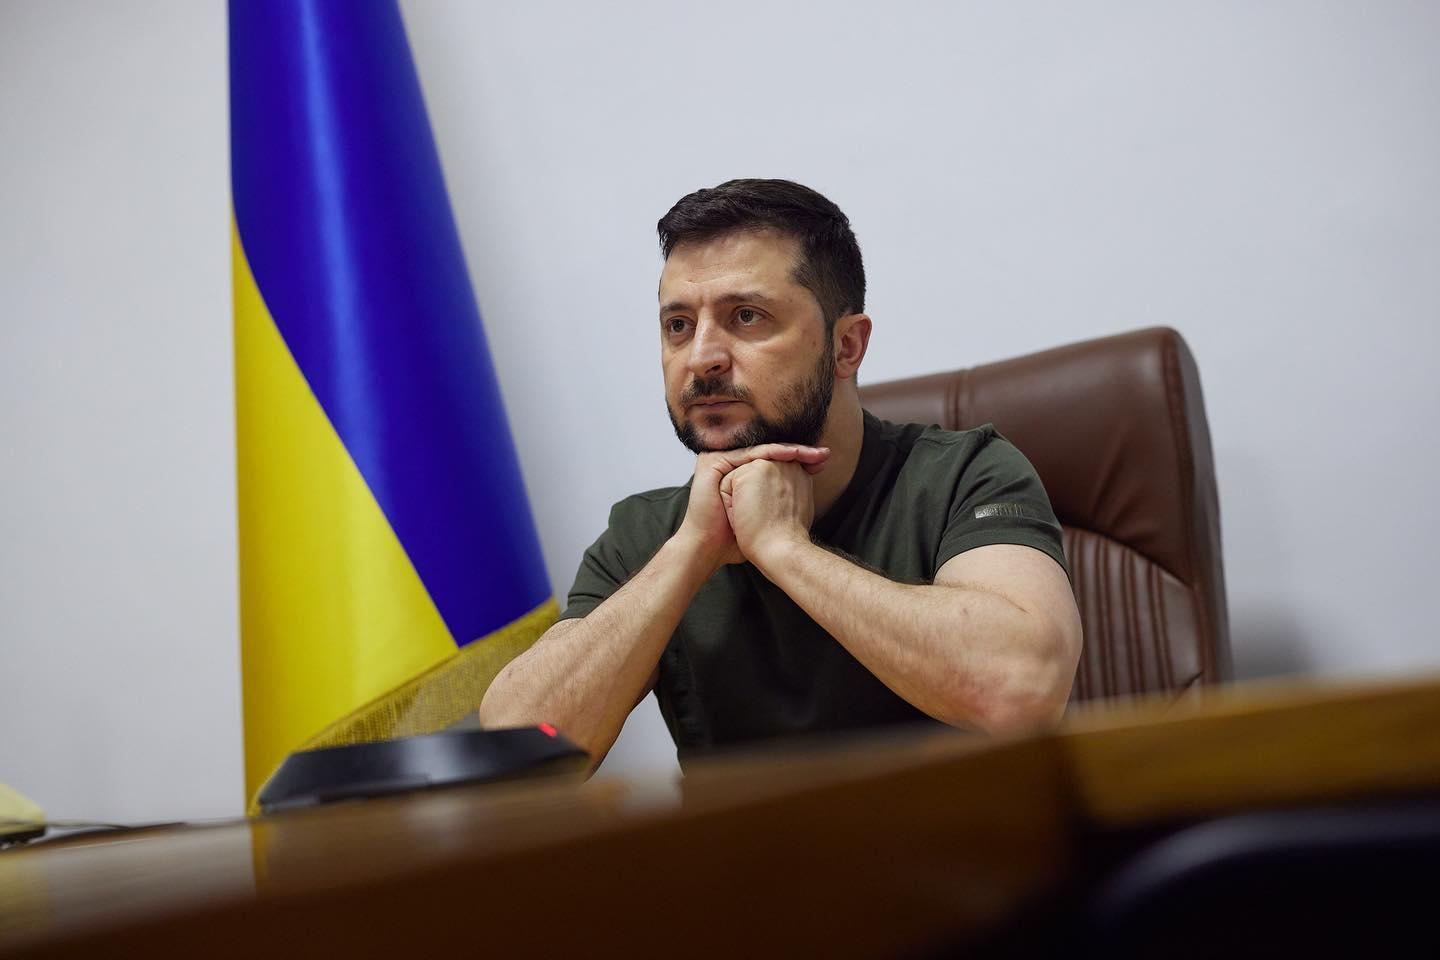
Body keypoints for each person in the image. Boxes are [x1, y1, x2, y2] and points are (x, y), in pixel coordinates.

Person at [480, 179, 1082, 767]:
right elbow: (517, 750)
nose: (702, 357)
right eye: (678, 325)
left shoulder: (965, 474)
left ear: (847, 346)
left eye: (746, 316)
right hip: (748, 869)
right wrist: (691, 551)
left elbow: (1022, 691)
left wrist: (783, 548)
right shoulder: (649, 533)